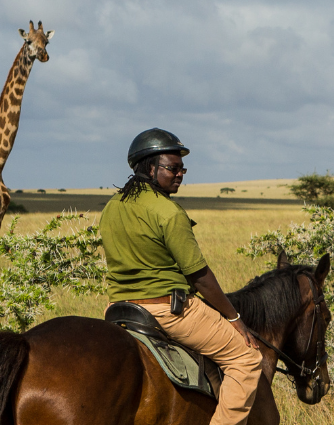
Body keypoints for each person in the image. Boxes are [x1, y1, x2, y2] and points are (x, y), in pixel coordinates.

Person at [101, 128, 262, 425]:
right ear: (151, 168)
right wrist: (234, 319)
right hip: (167, 310)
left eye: (181, 169)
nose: (179, 175)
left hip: (118, 309)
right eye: (173, 168)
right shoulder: (168, 211)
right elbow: (199, 276)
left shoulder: (112, 207)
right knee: (247, 360)